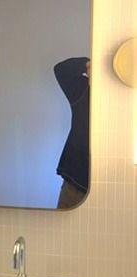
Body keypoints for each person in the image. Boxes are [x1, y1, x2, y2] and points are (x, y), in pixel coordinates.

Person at [54, 57, 90, 208]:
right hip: (75, 184)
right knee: (63, 223)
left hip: (116, 186)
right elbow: (61, 70)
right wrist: (88, 65)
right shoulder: (84, 90)